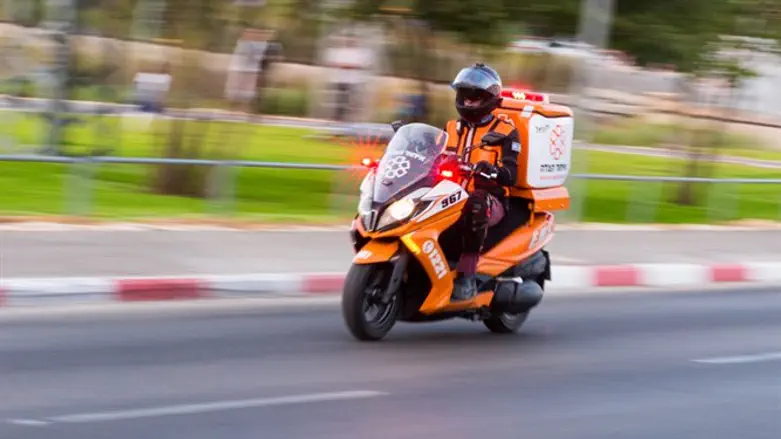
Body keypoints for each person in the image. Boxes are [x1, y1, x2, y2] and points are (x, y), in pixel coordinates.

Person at [443, 63, 521, 301]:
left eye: (475, 96)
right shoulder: (451, 127)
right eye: (464, 94)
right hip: (450, 194)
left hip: (490, 199)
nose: (468, 100)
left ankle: (467, 275)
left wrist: (492, 171)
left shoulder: (505, 131)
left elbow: (511, 175)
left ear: (489, 99)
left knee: (476, 204)